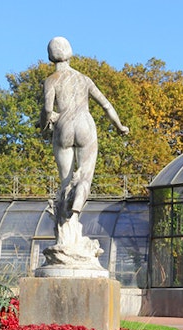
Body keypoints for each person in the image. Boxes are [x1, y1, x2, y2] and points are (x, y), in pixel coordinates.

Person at [41, 37, 129, 227]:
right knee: (85, 176)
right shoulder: (84, 79)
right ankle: (78, 205)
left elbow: (48, 110)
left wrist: (44, 125)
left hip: (63, 125)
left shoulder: (50, 81)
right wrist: (119, 126)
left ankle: (65, 221)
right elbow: (106, 105)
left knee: (65, 181)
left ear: (50, 56)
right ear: (69, 52)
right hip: (84, 124)